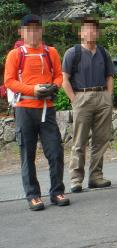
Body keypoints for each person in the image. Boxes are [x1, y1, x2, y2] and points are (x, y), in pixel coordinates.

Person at [4, 14, 69, 211]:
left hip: (46, 109)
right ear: (21, 32)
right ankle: (33, 195)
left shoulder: (51, 52)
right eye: (29, 29)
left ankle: (57, 191)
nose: (33, 33)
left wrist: (53, 87)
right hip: (24, 109)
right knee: (27, 153)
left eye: (37, 29)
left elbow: (59, 75)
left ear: (41, 31)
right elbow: (9, 81)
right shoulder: (15, 55)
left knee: (55, 151)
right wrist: (33, 90)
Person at [62, 17, 115, 193]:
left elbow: (109, 76)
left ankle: (96, 177)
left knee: (101, 140)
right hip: (82, 96)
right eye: (87, 29)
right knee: (79, 140)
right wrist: (74, 99)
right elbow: (65, 80)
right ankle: (76, 179)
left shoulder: (103, 52)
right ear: (81, 33)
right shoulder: (73, 53)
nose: (91, 32)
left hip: (102, 96)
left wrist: (108, 97)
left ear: (98, 33)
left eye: (94, 29)